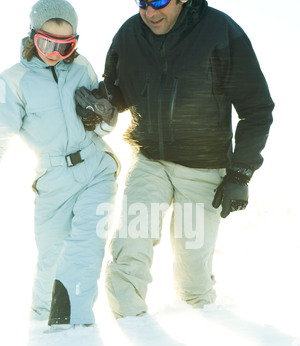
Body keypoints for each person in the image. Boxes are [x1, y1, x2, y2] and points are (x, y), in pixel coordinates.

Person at [75, 0, 274, 319]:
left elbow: (257, 109)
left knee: (193, 274)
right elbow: (118, 89)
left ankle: (199, 331)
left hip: (203, 168)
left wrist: (239, 174)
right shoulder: (130, 33)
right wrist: (102, 102)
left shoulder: (221, 31)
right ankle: (130, 324)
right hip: (150, 161)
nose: (149, 12)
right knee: (131, 245)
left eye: (158, 2)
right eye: (142, 3)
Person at [0, 0, 119, 329]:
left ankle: (77, 325)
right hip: (52, 178)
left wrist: (103, 114)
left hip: (96, 168)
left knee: (86, 245)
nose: (54, 52)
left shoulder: (82, 67)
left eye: (66, 46)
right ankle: (43, 323)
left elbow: (106, 124)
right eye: (46, 43)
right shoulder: (14, 80)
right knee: (51, 257)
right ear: (31, 38)